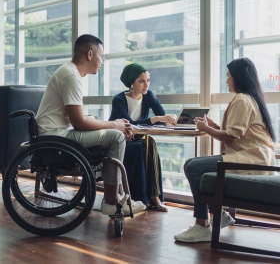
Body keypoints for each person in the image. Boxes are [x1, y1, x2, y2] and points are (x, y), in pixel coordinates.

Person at [35, 34, 146, 215]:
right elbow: (79, 122)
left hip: (57, 133)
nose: (101, 62)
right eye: (100, 56)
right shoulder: (71, 76)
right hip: (57, 138)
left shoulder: (70, 73)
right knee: (116, 138)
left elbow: (76, 118)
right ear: (89, 54)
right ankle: (111, 201)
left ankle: (115, 196)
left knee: (109, 130)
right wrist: (114, 125)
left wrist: (110, 124)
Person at [174, 57, 277, 243]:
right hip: (253, 157)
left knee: (193, 167)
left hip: (251, 159)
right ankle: (216, 215)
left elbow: (231, 136)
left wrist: (207, 129)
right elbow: (237, 134)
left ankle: (203, 224)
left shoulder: (242, 99)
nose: (226, 80)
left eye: (228, 75)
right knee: (191, 164)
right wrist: (213, 126)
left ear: (238, 76)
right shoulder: (250, 99)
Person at [109, 63, 176, 212]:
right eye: (141, 81)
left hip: (139, 139)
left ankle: (151, 197)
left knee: (146, 143)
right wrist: (154, 119)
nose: (146, 85)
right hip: (120, 141)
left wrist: (171, 119)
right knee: (145, 144)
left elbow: (161, 115)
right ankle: (149, 197)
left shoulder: (148, 96)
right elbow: (129, 125)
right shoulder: (119, 100)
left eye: (148, 80)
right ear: (131, 83)